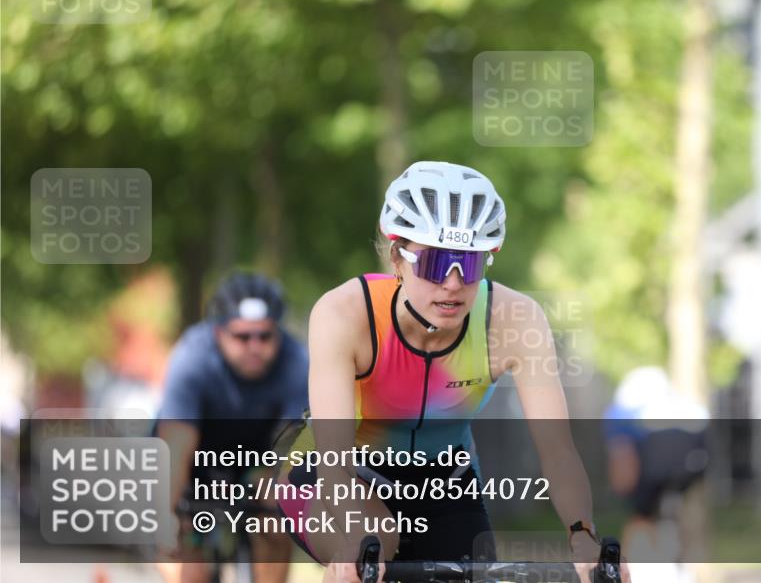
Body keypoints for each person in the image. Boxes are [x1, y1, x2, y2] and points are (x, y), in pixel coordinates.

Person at [275, 161, 629, 583]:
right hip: (336, 476)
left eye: (470, 263)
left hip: (445, 483)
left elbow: (557, 450)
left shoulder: (515, 320)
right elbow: (335, 461)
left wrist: (583, 537)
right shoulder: (344, 313)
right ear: (397, 258)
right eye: (436, 262)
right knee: (372, 548)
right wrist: (354, 544)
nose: (453, 282)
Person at [156, 272, 309, 583]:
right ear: (218, 332)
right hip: (197, 455)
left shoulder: (297, 362)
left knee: (276, 521)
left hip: (259, 456)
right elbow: (177, 443)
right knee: (185, 541)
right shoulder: (192, 357)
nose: (254, 346)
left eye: (265, 336)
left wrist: (279, 496)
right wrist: (167, 513)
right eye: (242, 337)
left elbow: (294, 446)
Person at [603, 366, 710, 583]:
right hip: (691, 466)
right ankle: (680, 568)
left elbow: (621, 455)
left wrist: (624, 490)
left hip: (653, 469)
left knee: (640, 515)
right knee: (671, 512)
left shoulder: (621, 413)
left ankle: (629, 571)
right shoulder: (685, 407)